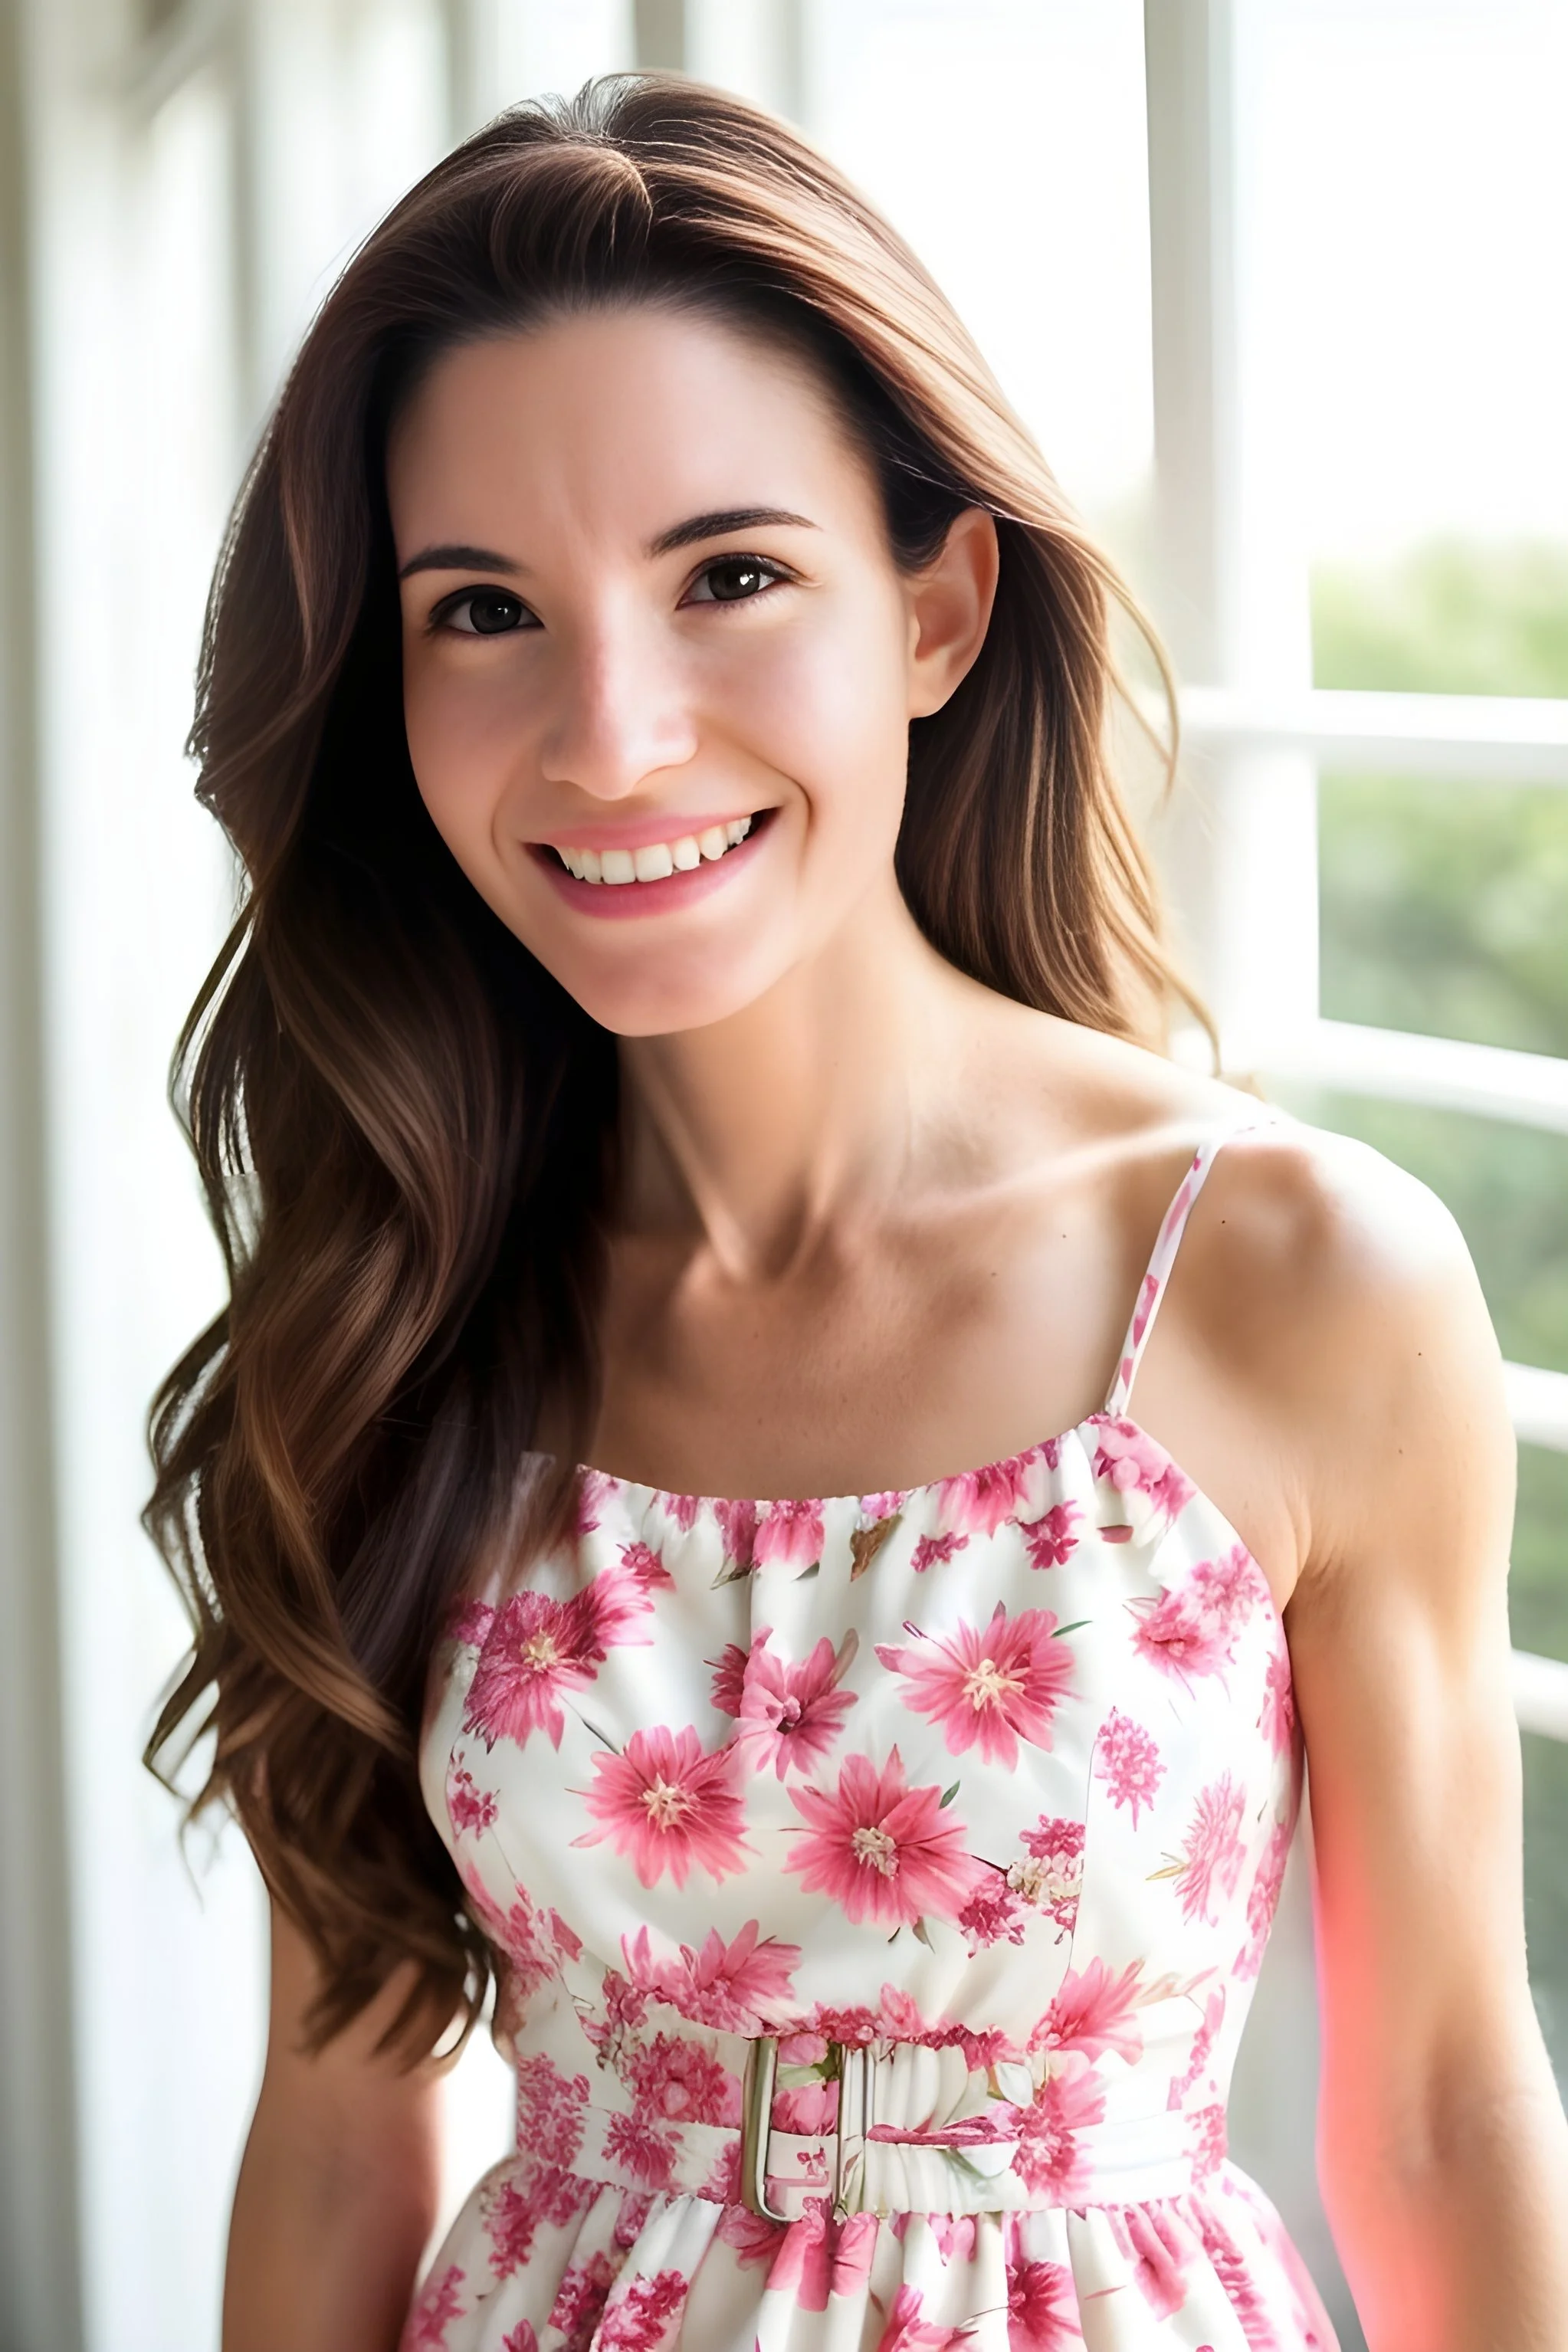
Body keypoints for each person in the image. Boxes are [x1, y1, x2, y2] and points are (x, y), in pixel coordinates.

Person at [146, 73, 1568, 2352]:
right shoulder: (404, 1300)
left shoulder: (1297, 1280)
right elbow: (339, 2127)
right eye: (484, 609)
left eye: (728, 575)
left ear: (935, 607)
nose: (608, 733)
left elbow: (1429, 2118)